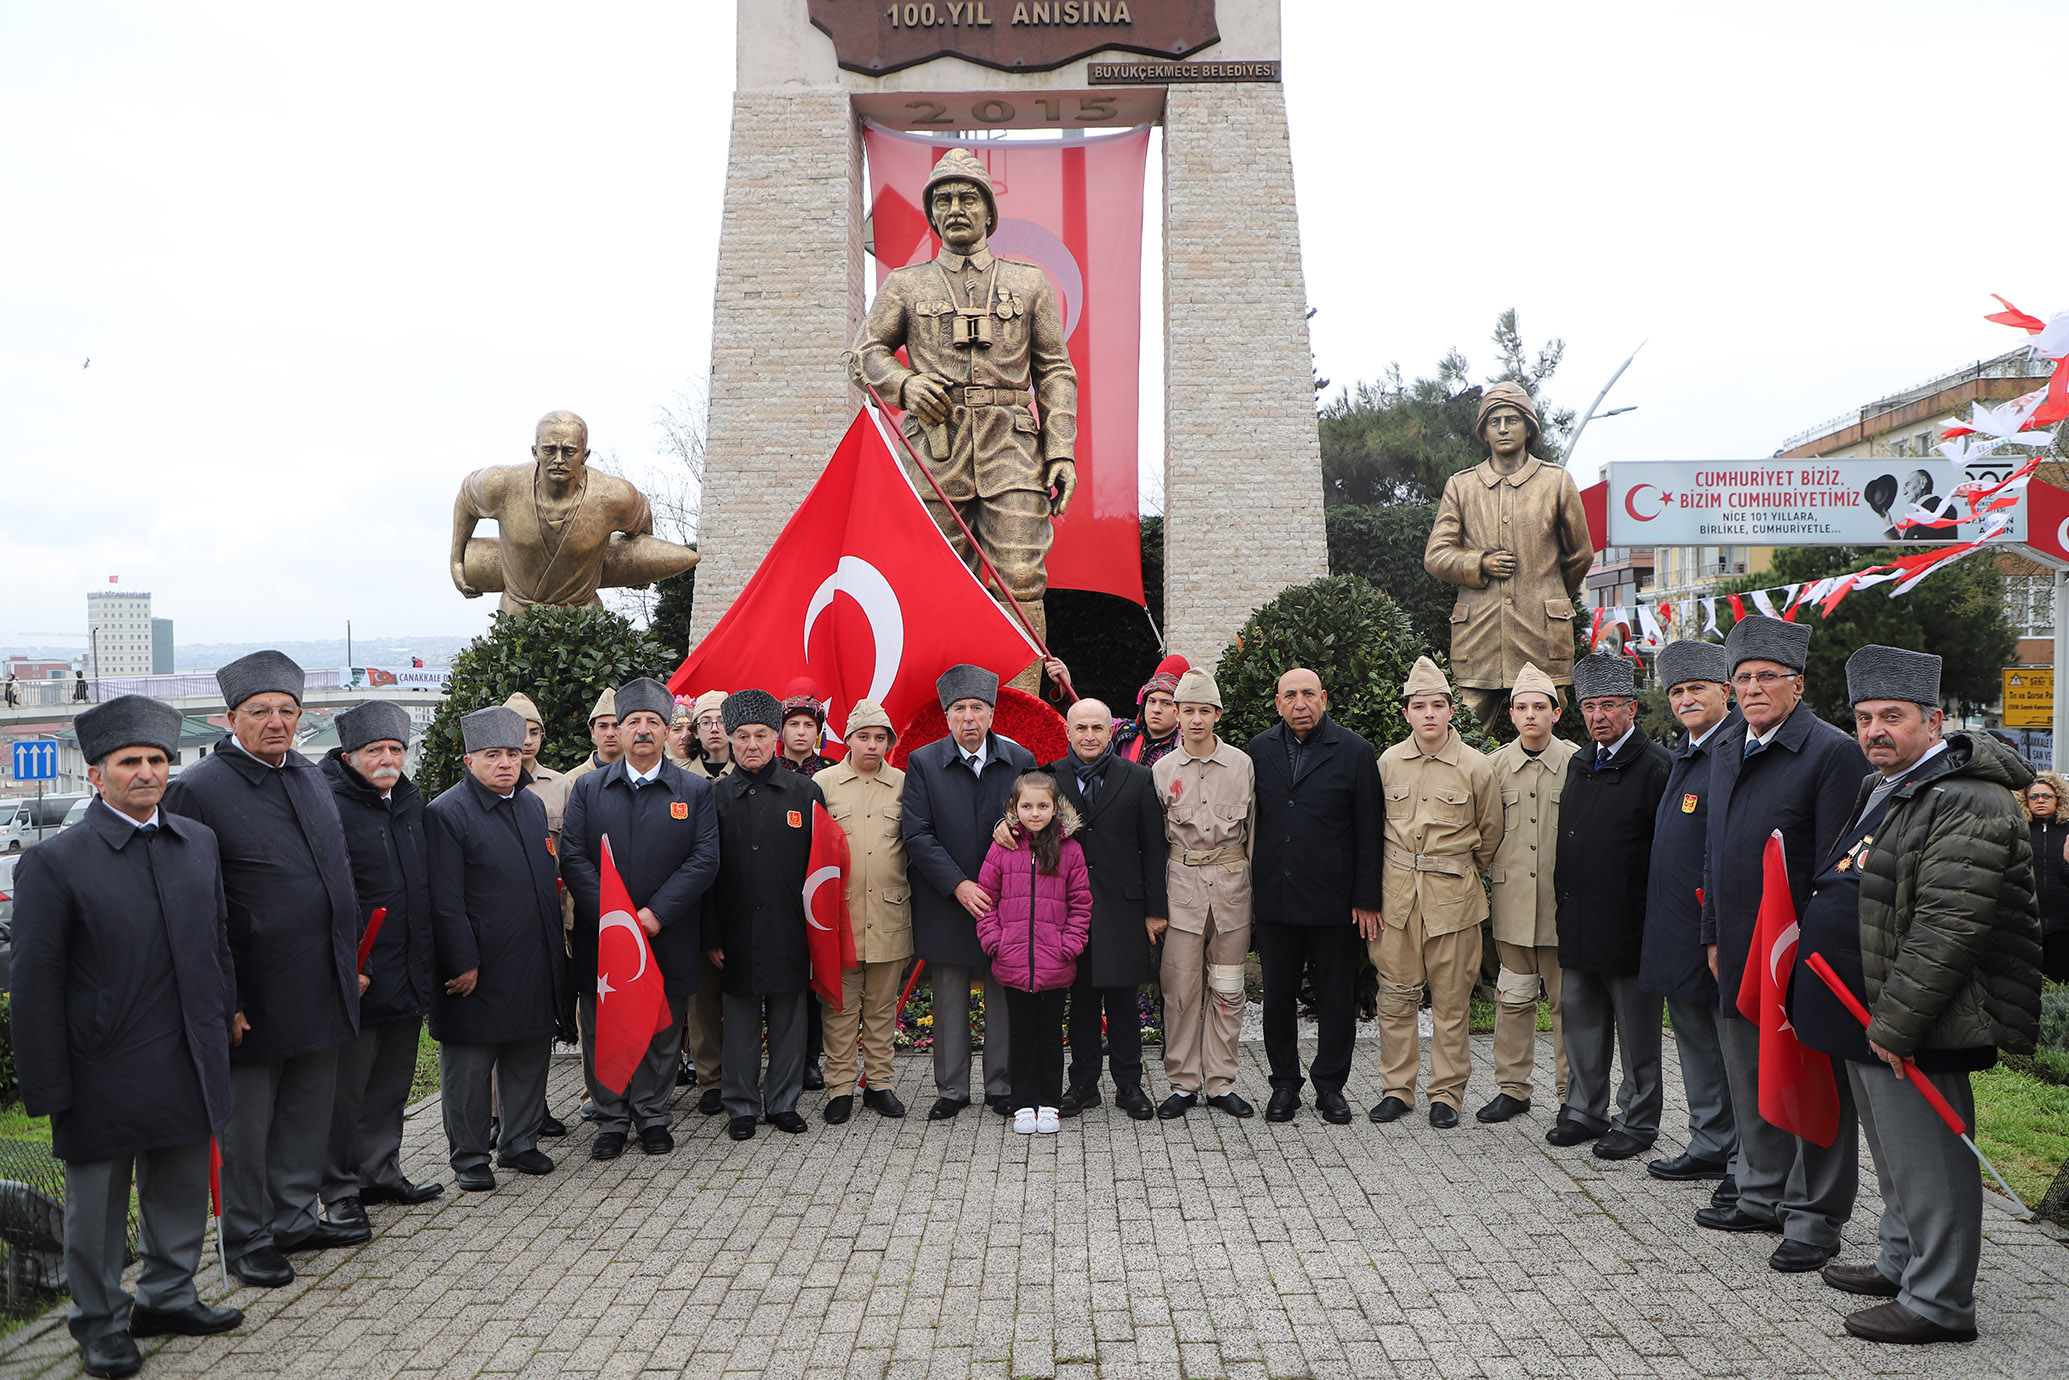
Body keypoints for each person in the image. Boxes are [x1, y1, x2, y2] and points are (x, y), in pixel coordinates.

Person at [1805, 646, 2043, 1345]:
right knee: (1894, 1152)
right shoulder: (1890, 783)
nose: (1874, 730)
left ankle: (1938, 1304)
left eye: (1893, 717)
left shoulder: (1966, 796)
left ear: (1934, 720)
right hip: (1871, 1004)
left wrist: (1897, 1021)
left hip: (1924, 1014)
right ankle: (1899, 1261)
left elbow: (1949, 923)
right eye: (1864, 717)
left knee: (1931, 1161)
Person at [11, 696, 243, 1377]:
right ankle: (99, 1323)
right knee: (99, 1212)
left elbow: (218, 941)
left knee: (176, 1190)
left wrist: (225, 1010)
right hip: (100, 1066)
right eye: (129, 762)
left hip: (186, 1053)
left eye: (157, 760)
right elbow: (34, 985)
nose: (147, 772)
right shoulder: (55, 864)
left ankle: (168, 1295)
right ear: (96, 774)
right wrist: (48, 1084)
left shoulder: (196, 843)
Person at [161, 651, 364, 1289]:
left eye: (286, 711)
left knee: (307, 1109)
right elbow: (193, 905)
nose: (276, 722)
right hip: (253, 988)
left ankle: (296, 1216)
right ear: (231, 718)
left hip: (320, 979)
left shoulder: (307, 774)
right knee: (247, 1126)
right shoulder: (197, 789)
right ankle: (247, 1237)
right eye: (260, 712)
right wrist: (228, 998)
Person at [849, 147, 1079, 681]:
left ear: (987, 212)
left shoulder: (1029, 282)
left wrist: (1061, 450)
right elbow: (863, 355)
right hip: (935, 447)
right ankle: (940, 715)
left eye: (968, 198)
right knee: (932, 581)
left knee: (1020, 579)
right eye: (944, 200)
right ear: (931, 213)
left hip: (1013, 447)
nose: (956, 208)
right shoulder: (906, 284)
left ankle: (1021, 712)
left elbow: (1054, 371)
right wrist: (904, 383)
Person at [1697, 615, 1869, 1273]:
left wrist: (1811, 959)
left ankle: (1815, 1217)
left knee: (1810, 1087)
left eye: (1766, 676)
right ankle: (1762, 1192)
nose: (1751, 688)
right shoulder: (1725, 748)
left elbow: (1834, 867)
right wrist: (1712, 936)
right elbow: (1716, 854)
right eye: (1741, 678)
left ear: (1796, 684)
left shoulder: (1830, 753)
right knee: (1750, 1080)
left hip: (1801, 956)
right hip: (1737, 949)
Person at [560, 678, 721, 1159]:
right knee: (603, 1025)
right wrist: (616, 919)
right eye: (634, 723)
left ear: (667, 729)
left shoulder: (693, 789)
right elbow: (573, 857)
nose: (644, 731)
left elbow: (704, 859)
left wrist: (654, 915)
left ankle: (652, 1115)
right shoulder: (589, 788)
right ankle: (610, 1118)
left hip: (665, 932)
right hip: (605, 936)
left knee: (661, 1027)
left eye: (654, 722)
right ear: (620, 731)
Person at [426, 706, 566, 1191]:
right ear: (468, 761)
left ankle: (519, 1143)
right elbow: (444, 901)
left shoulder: (530, 805)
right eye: (492, 755)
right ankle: (468, 1157)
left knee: (528, 1054)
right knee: (469, 1066)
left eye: (511, 753)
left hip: (531, 957)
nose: (506, 763)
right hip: (479, 966)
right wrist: (462, 962)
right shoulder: (446, 813)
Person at [318, 702, 442, 1231]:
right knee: (346, 1091)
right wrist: (346, 962)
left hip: (407, 966)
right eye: (376, 751)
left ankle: (381, 1169)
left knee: (392, 1083)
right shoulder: (327, 804)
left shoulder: (410, 803)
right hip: (360, 971)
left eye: (396, 749)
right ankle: (340, 1189)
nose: (388, 759)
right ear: (349, 756)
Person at [1545, 652, 1672, 1158]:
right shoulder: (1581, 762)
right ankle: (1584, 1109)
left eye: (1609, 705)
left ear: (1632, 708)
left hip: (1630, 925)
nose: (1598, 716)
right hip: (1578, 921)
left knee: (1638, 1034)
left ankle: (1638, 1121)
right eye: (1590, 706)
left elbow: (1664, 854)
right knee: (1581, 1022)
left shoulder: (1655, 767)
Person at [1246, 668, 1383, 1124]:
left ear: (1324, 697)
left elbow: (1369, 831)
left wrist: (1366, 897)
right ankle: (1284, 1084)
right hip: (1276, 898)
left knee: (1335, 997)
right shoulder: (1259, 751)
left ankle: (1330, 1086)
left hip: (1335, 901)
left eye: (1308, 693)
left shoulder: (1355, 751)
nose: (1300, 703)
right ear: (1278, 702)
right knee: (1278, 998)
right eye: (1290, 695)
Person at [902, 664, 1038, 1119]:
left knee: (1003, 991)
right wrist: (958, 885)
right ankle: (952, 1089)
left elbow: (1037, 818)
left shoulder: (1019, 761)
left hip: (1006, 899)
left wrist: (1013, 826)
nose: (968, 718)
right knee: (949, 994)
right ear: (947, 717)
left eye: (977, 708)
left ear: (992, 713)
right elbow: (917, 834)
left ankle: (1000, 1085)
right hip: (949, 896)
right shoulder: (923, 763)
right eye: (959, 709)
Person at [1372, 656, 1502, 1128]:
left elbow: (1489, 834)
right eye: (1419, 706)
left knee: (1451, 1003)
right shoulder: (1388, 762)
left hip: (1453, 900)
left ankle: (1446, 1094)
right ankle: (1396, 1089)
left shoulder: (1475, 766)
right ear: (1406, 713)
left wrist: (1455, 872)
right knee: (1396, 997)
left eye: (1438, 705)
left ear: (1451, 711)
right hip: (1397, 900)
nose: (1428, 714)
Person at [1422, 381, 1594, 726]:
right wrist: (1478, 562)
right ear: (1483, 431)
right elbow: (1436, 555)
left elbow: (1580, 554)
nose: (1502, 429)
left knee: (1542, 732)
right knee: (1465, 733)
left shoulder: (1555, 482)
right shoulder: (1462, 485)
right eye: (1493, 421)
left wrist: (1549, 595)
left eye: (1511, 420)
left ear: (1528, 428)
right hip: (1480, 635)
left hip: (1541, 635)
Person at [1639, 640, 1742, 1198]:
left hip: (1717, 932)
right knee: (1695, 1043)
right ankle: (1709, 1140)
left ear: (1724, 691)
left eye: (1696, 688)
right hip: (1678, 928)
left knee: (1731, 1051)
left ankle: (1744, 1157)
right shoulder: (1686, 751)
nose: (1685, 699)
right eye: (1676, 691)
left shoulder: (1733, 751)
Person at [1039, 698, 1168, 1119]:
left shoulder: (1137, 778)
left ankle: (1129, 1085)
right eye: (1081, 728)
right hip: (1067, 911)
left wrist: (1154, 910)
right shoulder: (1049, 780)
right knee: (1081, 1000)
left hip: (1123, 908)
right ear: (1068, 732)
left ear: (1110, 731)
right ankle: (1082, 1084)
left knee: (1124, 1002)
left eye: (1097, 728)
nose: (1089, 736)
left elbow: (1153, 847)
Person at [705, 689, 825, 1141]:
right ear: (730, 741)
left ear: (775, 737)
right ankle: (741, 1106)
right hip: (734, 929)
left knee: (790, 1020)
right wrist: (712, 935)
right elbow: (705, 872)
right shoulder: (714, 797)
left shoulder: (805, 792)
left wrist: (818, 931)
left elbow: (824, 868)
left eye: (760, 734)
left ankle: (783, 1102)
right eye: (741, 736)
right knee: (738, 1023)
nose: (751, 744)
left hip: (790, 927)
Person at [448, 409, 697, 613]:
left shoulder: (613, 497)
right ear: (535, 452)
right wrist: (456, 560)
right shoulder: (500, 485)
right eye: (549, 450)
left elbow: (642, 519)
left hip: (583, 618)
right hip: (518, 615)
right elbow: (466, 499)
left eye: (569, 451)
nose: (558, 459)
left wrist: (641, 569)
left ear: (584, 454)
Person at [1151, 671, 1255, 1119]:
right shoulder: (1161, 770)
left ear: (1218, 715)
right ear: (1176, 714)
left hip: (1233, 888)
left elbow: (1254, 835)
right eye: (1188, 710)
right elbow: (1154, 841)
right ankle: (1182, 1081)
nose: (1196, 719)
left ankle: (1220, 1081)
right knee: (1180, 989)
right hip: (1182, 890)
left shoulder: (1242, 765)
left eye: (1204, 711)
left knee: (1228, 988)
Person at [1478, 662, 1579, 1123]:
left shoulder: (1579, 763)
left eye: (1541, 706)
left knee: (1568, 1006)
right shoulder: (1492, 767)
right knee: (1513, 999)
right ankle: (1512, 1089)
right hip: (1513, 906)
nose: (1531, 715)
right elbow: (1480, 834)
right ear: (1512, 716)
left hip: (1564, 909)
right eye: (1522, 707)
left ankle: (1571, 1094)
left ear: (1557, 713)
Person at [814, 700, 915, 1123]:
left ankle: (880, 1084)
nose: (872, 745)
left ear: (889, 742)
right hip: (840, 918)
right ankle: (840, 1088)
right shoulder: (823, 784)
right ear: (849, 740)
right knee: (839, 1008)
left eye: (880, 738)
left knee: (880, 1007)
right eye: (863, 737)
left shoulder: (906, 784)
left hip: (890, 914)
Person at [976, 772, 1093, 1134]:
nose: (1035, 813)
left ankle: (1049, 1103)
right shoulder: (1002, 848)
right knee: (1021, 1035)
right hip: (1012, 961)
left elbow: (1081, 904)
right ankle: (1023, 1103)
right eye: (1026, 806)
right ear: (1014, 808)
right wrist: (996, 942)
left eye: (1043, 806)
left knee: (1049, 1036)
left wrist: (1069, 945)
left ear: (1055, 808)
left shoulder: (1070, 849)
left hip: (1054, 963)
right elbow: (986, 901)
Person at [505, 690, 575, 1139]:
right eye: (517, 732)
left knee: (544, 1019)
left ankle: (535, 1107)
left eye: (533, 732)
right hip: (507, 920)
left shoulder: (560, 785)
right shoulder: (486, 780)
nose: (526, 741)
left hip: (553, 915)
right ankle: (499, 1115)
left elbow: (571, 856)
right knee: (505, 1020)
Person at [777, 678, 837, 1089]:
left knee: (815, 978)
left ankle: (811, 1059)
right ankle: (782, 1058)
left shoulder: (832, 774)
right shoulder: (769, 770)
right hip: (777, 885)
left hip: (817, 887)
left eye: (808, 725)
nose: (801, 732)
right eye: (793, 724)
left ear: (818, 731)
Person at [681, 687, 732, 1112]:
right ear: (694, 730)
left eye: (721, 720)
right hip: (694, 906)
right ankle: (709, 1078)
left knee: (742, 995)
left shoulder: (751, 772)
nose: (714, 729)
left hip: (742, 901)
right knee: (701, 1000)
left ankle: (742, 1071)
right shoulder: (680, 777)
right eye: (706, 722)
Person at [2024, 769, 2069, 982]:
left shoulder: (2067, 831)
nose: (2040, 800)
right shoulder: (2019, 831)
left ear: (2058, 799)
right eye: (2034, 796)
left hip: (2064, 926)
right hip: (2027, 926)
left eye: (2046, 796)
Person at [1111, 654, 1188, 769]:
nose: (1156, 709)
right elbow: (1086, 720)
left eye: (1166, 703)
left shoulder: (1184, 751)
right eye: (1152, 701)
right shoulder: (1120, 734)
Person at [563, 687, 621, 785]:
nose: (610, 733)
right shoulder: (572, 780)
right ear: (592, 731)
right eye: (603, 726)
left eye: (616, 726)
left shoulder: (641, 776)